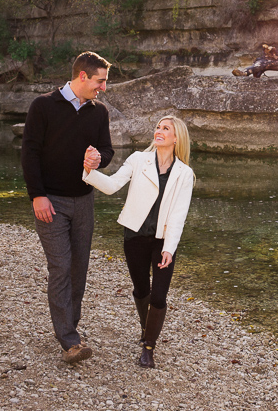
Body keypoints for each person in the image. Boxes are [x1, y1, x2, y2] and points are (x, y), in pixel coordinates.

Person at [21, 51, 114, 364]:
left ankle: (68, 327)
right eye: (100, 81)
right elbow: (30, 153)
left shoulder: (99, 112)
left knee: (78, 269)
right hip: (51, 201)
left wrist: (99, 158)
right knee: (60, 266)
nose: (103, 88)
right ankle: (70, 341)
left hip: (85, 201)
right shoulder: (43, 106)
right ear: (83, 76)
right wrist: (37, 195)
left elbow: (107, 149)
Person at [82, 115, 195, 369]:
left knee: (159, 295)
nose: (159, 131)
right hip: (134, 236)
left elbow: (179, 214)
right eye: (158, 127)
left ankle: (148, 348)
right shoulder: (137, 159)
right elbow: (111, 186)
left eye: (166, 128)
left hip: (163, 241)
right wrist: (89, 171)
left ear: (176, 138)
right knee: (141, 289)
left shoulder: (184, 173)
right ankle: (147, 329)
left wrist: (169, 248)